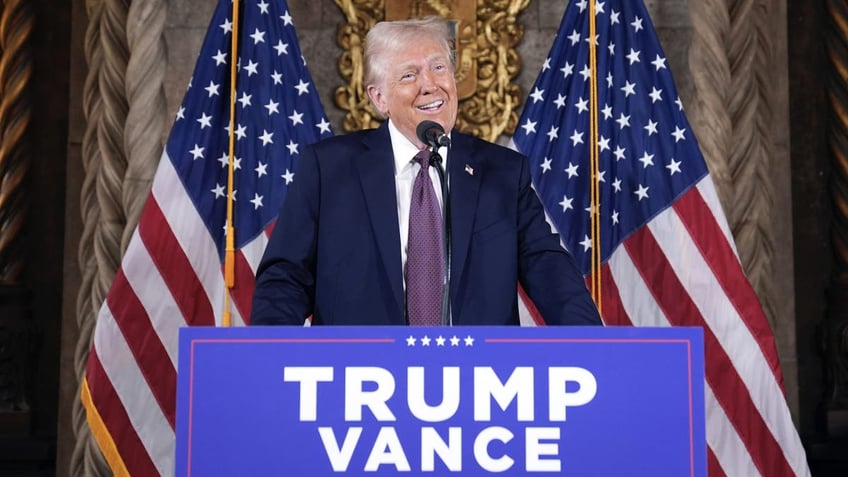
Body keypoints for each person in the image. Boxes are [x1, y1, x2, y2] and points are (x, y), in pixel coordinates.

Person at [250, 16, 601, 327]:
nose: (430, 84)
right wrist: (269, 360)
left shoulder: (503, 172)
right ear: (379, 98)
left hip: (478, 379)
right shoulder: (328, 169)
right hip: (356, 380)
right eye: (409, 75)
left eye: (439, 68)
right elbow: (286, 279)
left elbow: (551, 272)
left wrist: (599, 353)